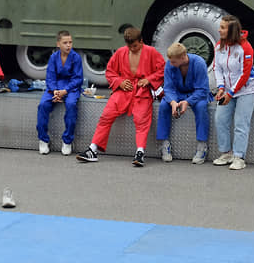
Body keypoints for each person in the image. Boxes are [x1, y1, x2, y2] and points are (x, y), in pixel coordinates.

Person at [76, 27, 165, 167]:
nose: (132, 49)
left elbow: (162, 69)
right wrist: (119, 82)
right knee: (106, 115)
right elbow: (110, 71)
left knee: (142, 119)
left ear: (141, 41)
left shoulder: (151, 52)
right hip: (123, 91)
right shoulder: (120, 52)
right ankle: (92, 149)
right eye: (129, 46)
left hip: (142, 91)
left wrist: (149, 79)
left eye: (135, 46)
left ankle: (140, 152)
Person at [212, 15, 254, 170]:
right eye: (220, 27)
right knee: (220, 119)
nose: (219, 30)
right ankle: (226, 153)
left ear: (231, 30)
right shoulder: (219, 45)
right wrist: (220, 88)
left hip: (246, 89)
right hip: (227, 90)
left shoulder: (246, 48)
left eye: (223, 27)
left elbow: (245, 74)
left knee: (241, 123)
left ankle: (239, 157)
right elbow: (217, 68)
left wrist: (230, 93)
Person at [156, 43, 212, 164]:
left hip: (197, 94)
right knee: (163, 105)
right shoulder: (169, 64)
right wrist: (173, 102)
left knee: (202, 107)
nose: (171, 64)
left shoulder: (199, 63)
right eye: (170, 61)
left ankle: (202, 146)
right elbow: (168, 88)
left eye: (174, 62)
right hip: (177, 93)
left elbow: (203, 89)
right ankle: (164, 144)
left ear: (183, 57)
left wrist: (188, 101)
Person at [37, 30, 83, 156]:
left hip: (71, 88)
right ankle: (43, 140)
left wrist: (65, 91)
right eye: (65, 42)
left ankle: (67, 141)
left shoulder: (76, 58)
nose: (68, 45)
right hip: (55, 88)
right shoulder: (53, 57)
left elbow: (78, 78)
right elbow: (50, 77)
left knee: (71, 105)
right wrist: (55, 91)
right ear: (58, 44)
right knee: (43, 105)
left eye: (70, 42)